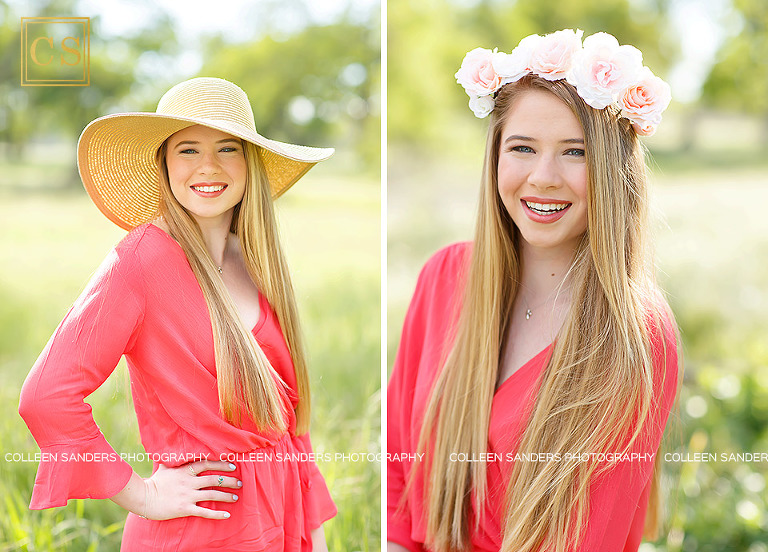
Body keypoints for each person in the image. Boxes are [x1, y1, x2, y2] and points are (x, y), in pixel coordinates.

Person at [387, 30, 679, 552]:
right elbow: (396, 485)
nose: (542, 177)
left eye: (575, 152)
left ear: (614, 172)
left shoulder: (636, 336)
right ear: (496, 156)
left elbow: (589, 539)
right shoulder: (445, 276)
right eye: (522, 148)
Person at [19, 77, 337, 551]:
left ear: (249, 163)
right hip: (202, 530)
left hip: (280, 521)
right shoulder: (143, 260)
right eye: (188, 149)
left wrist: (315, 538)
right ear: (164, 164)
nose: (208, 166)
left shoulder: (253, 259)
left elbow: (290, 424)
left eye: (227, 148)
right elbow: (46, 396)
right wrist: (143, 494)